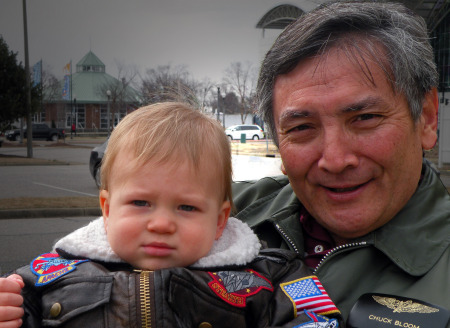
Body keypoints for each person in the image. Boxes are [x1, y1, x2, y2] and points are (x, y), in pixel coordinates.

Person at [0, 102, 342, 328]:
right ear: (106, 209)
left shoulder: (268, 275)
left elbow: (315, 317)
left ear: (220, 219)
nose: (161, 224)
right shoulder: (51, 276)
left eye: (187, 207)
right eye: (140, 203)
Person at [232, 1, 450, 326]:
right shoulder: (213, 216)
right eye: (302, 128)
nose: (335, 161)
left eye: (365, 118)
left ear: (428, 119)